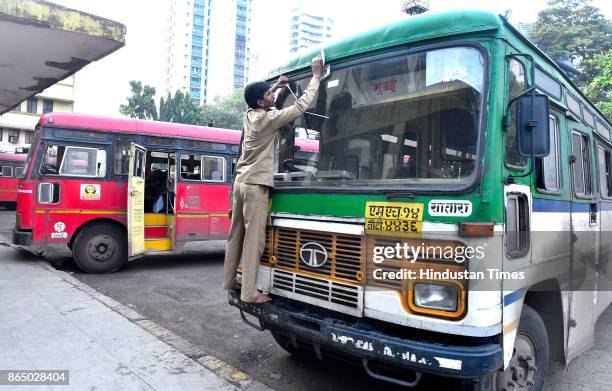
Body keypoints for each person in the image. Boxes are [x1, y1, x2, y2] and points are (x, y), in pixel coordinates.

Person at [222, 56, 324, 303]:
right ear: (261, 101)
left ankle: (229, 281)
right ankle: (248, 293)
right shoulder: (269, 119)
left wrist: (277, 86)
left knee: (235, 235)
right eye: (269, 94)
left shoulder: (250, 114)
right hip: (256, 185)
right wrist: (316, 77)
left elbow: (267, 101)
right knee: (254, 241)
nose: (272, 95)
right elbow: (301, 106)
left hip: (240, 183)